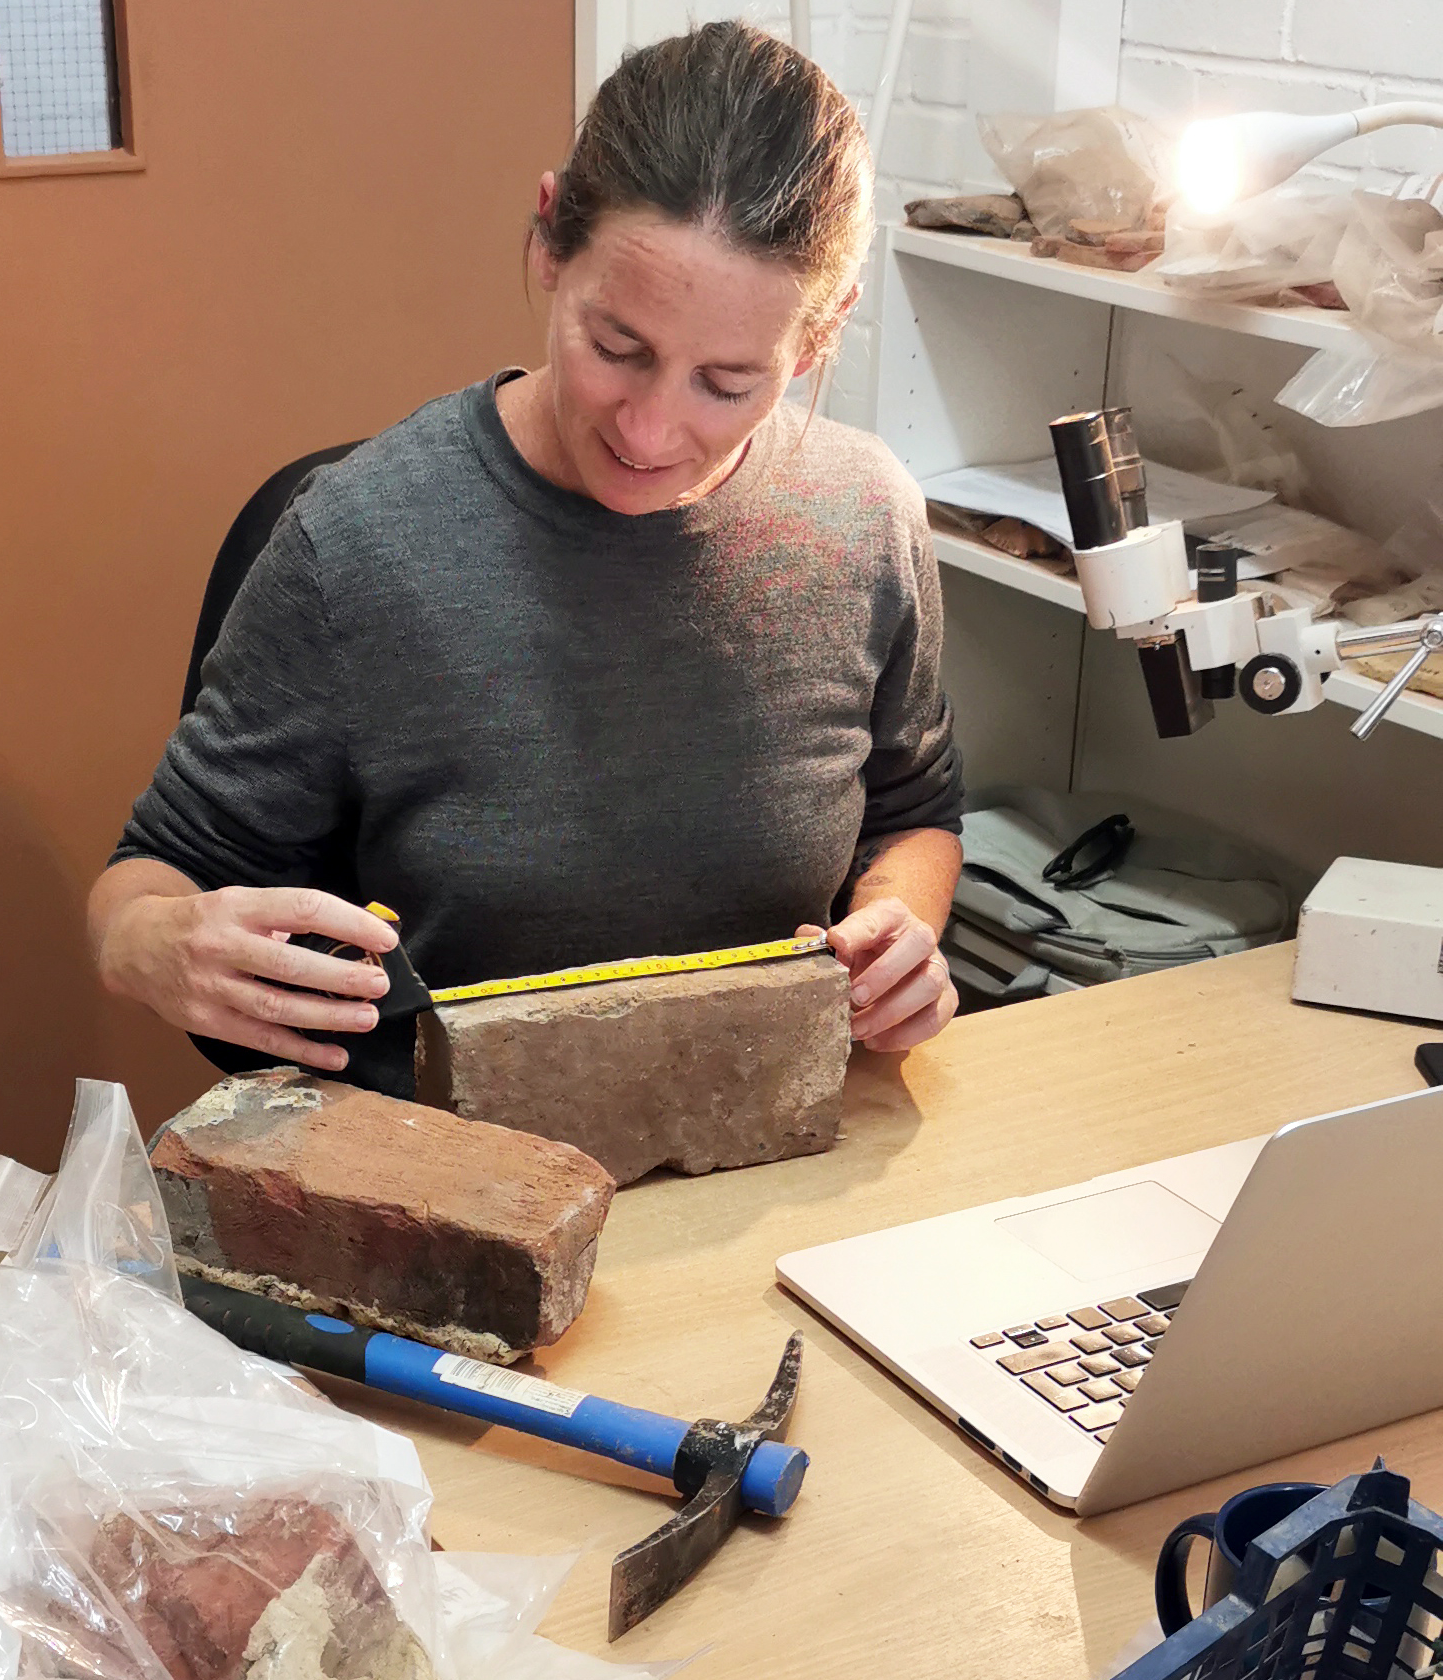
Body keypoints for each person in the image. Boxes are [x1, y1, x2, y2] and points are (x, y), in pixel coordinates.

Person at [89, 22, 964, 1092]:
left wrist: (897, 928)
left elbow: (913, 809)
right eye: (616, 347)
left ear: (821, 337)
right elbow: (144, 883)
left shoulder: (864, 515)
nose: (648, 432)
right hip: (449, 1174)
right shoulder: (357, 542)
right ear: (549, 239)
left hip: (767, 1145)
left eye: (728, 383)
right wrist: (151, 947)